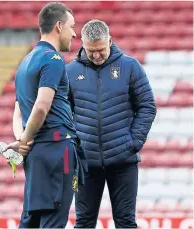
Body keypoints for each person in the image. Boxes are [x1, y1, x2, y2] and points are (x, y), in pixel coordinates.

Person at [3, 3, 87, 228]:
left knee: (31, 220)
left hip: (37, 155)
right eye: (71, 27)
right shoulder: (54, 59)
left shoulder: (25, 61)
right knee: (53, 222)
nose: (74, 33)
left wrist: (23, 140)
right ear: (59, 26)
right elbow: (41, 106)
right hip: (58, 151)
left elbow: (18, 111)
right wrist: (23, 141)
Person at [66, 19, 157, 228]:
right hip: (85, 164)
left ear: (110, 41)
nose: (96, 55)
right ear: (82, 45)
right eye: (91, 51)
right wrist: (74, 146)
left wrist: (133, 142)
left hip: (123, 161)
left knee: (125, 222)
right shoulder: (70, 72)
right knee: (84, 222)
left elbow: (147, 106)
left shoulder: (130, 66)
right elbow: (62, 113)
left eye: (100, 50)